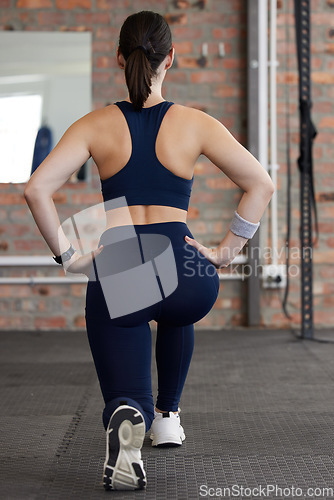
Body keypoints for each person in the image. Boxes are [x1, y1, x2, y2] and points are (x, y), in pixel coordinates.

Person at [24, 10, 275, 491]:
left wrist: (72, 260)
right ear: (171, 58)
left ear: (119, 57)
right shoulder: (195, 123)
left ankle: (129, 414)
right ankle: (167, 417)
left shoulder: (96, 124)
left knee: (125, 326)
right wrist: (225, 253)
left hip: (123, 265)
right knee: (175, 313)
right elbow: (260, 184)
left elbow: (37, 190)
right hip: (186, 270)